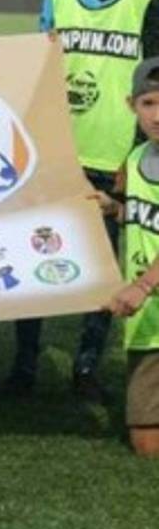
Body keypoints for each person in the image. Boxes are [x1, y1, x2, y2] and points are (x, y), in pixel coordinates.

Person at [0, 0, 159, 401]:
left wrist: (135, 160)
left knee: (101, 271)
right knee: (32, 261)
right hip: (57, 153)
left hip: (114, 160)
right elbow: (39, 63)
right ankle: (23, 366)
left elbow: (154, 82)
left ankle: (86, 369)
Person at [105, 58, 159, 456]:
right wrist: (113, 207)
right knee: (145, 444)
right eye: (149, 103)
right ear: (131, 105)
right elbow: (141, 213)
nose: (157, 116)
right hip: (147, 319)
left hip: (145, 293)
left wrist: (143, 284)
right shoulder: (136, 160)